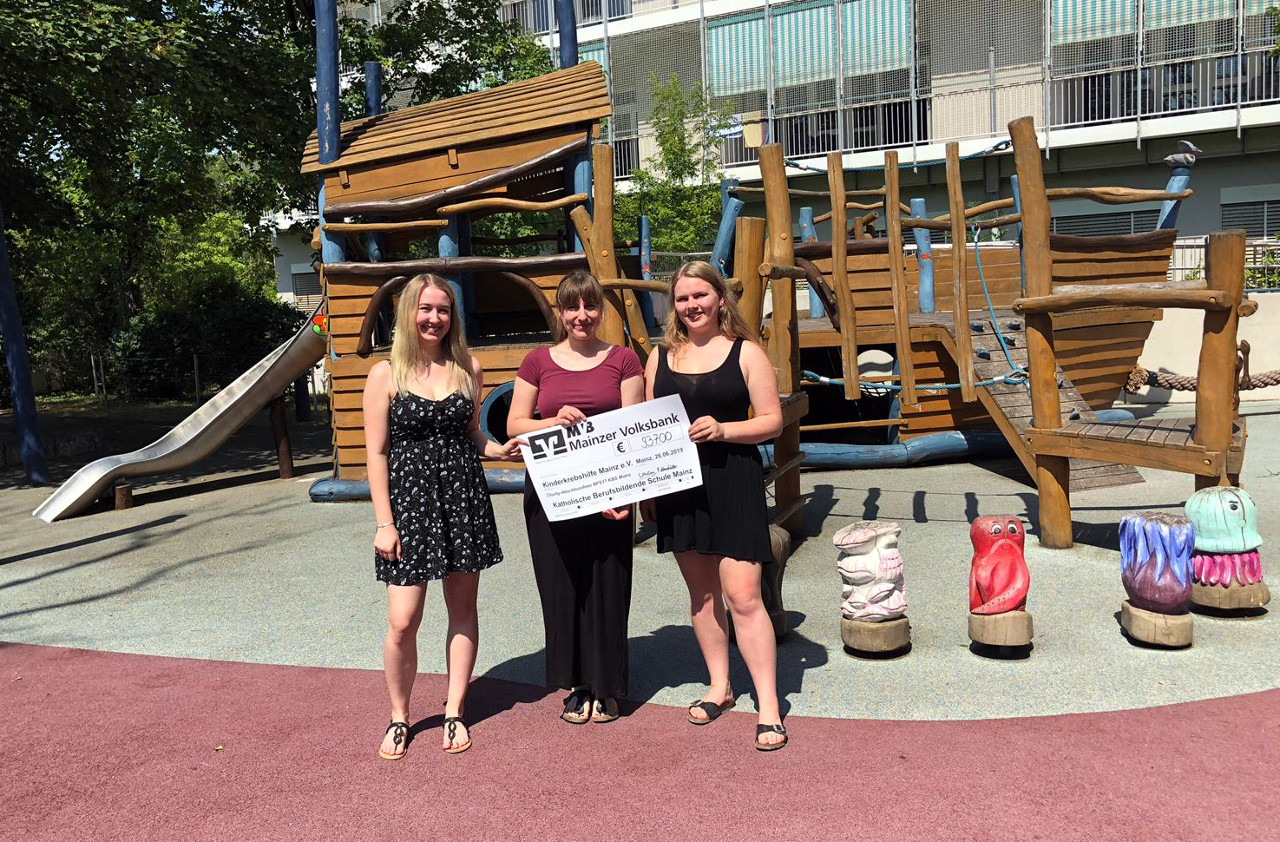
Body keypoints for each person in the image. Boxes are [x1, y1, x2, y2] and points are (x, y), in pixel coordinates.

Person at [363, 274, 523, 759]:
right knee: (402, 620)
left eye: (444, 310)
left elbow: (472, 432)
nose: (435, 318)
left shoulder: (467, 368)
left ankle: (455, 710)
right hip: (409, 507)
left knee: (462, 610)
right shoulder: (385, 374)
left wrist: (500, 450)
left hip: (462, 500)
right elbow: (376, 453)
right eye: (426, 308)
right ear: (409, 312)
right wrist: (384, 522)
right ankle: (399, 715)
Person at [639, 260, 788, 751]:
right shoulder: (660, 357)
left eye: (700, 295)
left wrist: (724, 429)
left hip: (733, 480)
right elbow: (645, 427)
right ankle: (720, 686)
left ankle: (769, 705)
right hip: (678, 486)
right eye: (683, 298)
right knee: (702, 596)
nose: (692, 305)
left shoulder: (746, 352)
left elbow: (772, 421)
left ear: (720, 298)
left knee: (743, 596)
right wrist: (647, 490)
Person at [507, 271, 645, 725]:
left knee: (608, 584)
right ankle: (577, 685)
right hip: (553, 492)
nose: (581, 316)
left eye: (590, 306)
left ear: (601, 310)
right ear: (560, 312)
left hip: (608, 490)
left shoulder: (623, 360)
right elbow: (515, 424)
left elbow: (632, 429)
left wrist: (626, 492)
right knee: (562, 586)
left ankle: (607, 685)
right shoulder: (537, 362)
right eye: (572, 307)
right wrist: (552, 421)